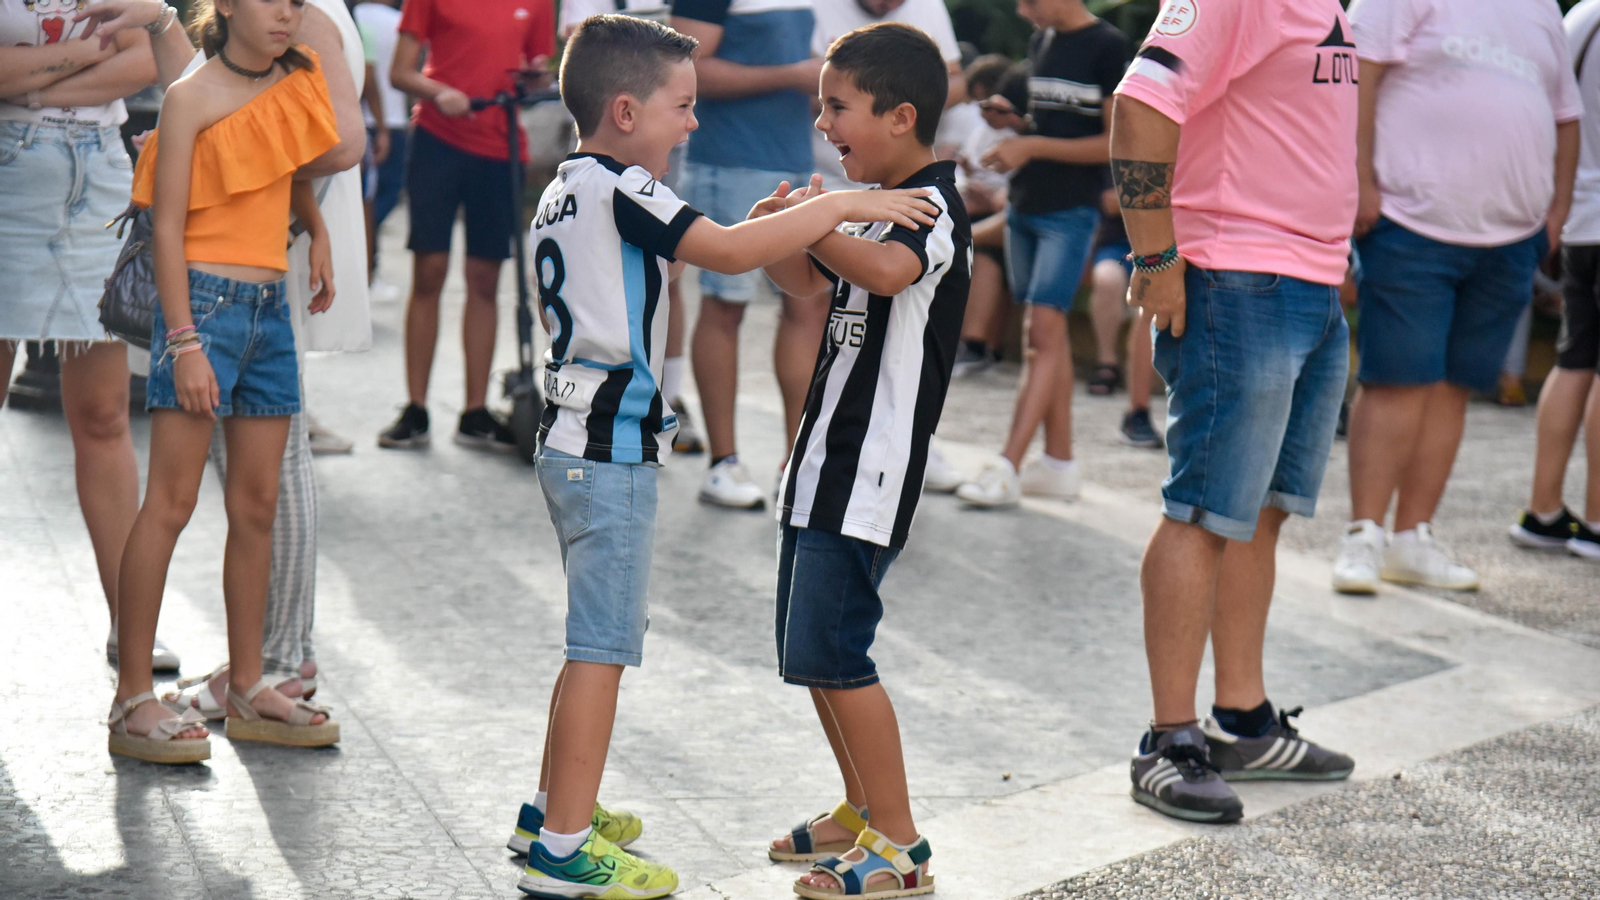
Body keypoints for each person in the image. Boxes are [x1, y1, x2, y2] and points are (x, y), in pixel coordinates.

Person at [510, 15, 938, 898]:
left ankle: (550, 808)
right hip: (609, 449)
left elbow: (715, 248)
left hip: (568, 440)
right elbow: (732, 254)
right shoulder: (626, 185)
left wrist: (788, 221)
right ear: (626, 112)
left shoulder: (568, 185)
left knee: (587, 642)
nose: (694, 123)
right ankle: (563, 847)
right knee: (601, 650)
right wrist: (838, 205)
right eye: (683, 106)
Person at [83, 0, 371, 719]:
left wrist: (316, 229)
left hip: (271, 310)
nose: (287, 15)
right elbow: (168, 228)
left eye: (296, 3)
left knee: (257, 506)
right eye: (272, 0)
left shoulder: (296, 75)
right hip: (203, 309)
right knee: (171, 504)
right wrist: (182, 342)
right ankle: (132, 697)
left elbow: (282, 161)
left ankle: (248, 685)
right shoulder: (190, 96)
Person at [1113, 0, 1359, 823]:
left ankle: (1242, 721)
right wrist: (1156, 255)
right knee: (1203, 511)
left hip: (1310, 281)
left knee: (1258, 513)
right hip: (1238, 277)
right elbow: (1140, 104)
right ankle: (1169, 741)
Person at [758, 24, 968, 898]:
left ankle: (902, 844)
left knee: (839, 651)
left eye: (837, 105)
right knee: (808, 651)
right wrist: (785, 231)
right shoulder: (870, 200)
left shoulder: (931, 209)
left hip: (868, 473)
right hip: (821, 462)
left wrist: (818, 220)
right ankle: (860, 806)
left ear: (900, 115)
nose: (822, 122)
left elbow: (885, 274)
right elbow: (806, 283)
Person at [1331, 0, 1581, 594]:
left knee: (1455, 387)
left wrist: (1556, 212)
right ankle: (1363, 536)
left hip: (1509, 238)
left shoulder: (1542, 9)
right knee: (1395, 381)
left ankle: (1412, 539)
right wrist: (1357, 179)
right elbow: (1357, 72)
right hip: (1409, 223)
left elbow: (1566, 115)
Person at [0, 0, 187, 673]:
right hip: (7, 173)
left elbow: (141, 61)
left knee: (105, 415)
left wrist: (31, 81)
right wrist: (86, 54)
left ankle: (129, 625)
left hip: (100, 177)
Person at [954, 0, 1128, 509]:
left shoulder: (1108, 46)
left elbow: (1114, 143)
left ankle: (1007, 464)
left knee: (1040, 335)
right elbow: (1054, 125)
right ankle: (1058, 461)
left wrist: (1032, 147)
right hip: (1025, 207)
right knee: (1048, 339)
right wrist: (1018, 126)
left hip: (1070, 214)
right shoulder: (1043, 40)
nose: (1021, 9)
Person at [376, 0, 555, 451]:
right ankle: (415, 409)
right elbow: (400, 72)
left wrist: (535, 79)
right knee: (429, 271)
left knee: (484, 279)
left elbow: (537, 72)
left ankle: (474, 413)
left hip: (499, 149)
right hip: (438, 142)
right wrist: (439, 92)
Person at [670, 0, 822, 509]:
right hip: (730, 160)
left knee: (806, 307)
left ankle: (797, 463)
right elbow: (685, 70)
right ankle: (723, 464)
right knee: (725, 306)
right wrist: (793, 75)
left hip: (793, 157)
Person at [1512, 0, 1600, 562]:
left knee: (1575, 362)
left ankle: (1543, 512)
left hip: (1580, 220)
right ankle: (1596, 521)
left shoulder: (1581, 17)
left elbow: (1548, 107)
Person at [949, 56, 1020, 380]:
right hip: (980, 212)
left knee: (982, 252)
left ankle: (976, 344)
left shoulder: (1022, 140)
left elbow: (1013, 200)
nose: (983, 113)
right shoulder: (981, 132)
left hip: (1004, 220)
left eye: (991, 107)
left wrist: (988, 197)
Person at [1085, 190, 1163, 449]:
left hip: (1193, 236)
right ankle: (1137, 409)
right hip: (1142, 243)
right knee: (1149, 306)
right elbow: (1109, 201)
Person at [353, 0, 406, 294]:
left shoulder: (353, 16)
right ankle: (366, 270)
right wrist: (383, 126)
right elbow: (369, 79)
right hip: (384, 122)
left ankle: (368, 266)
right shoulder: (397, 21)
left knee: (368, 201)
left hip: (362, 121)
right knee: (371, 201)